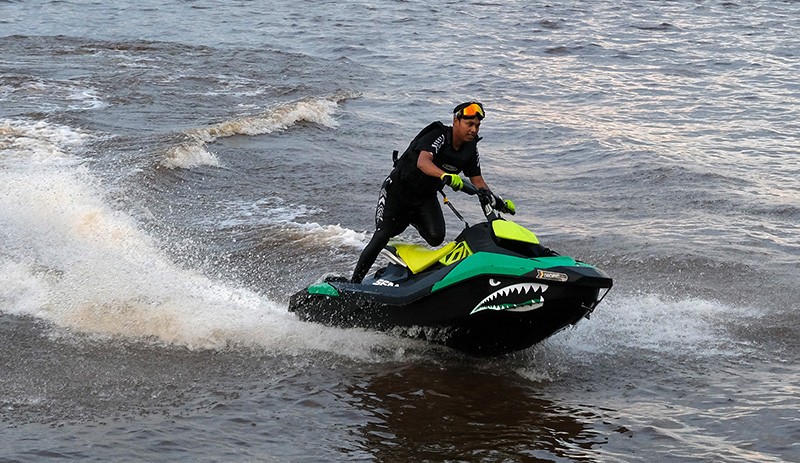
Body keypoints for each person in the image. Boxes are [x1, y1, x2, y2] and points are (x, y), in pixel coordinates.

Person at [350, 101, 516, 283]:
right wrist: (445, 176)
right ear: (456, 122)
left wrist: (496, 200)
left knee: (436, 237)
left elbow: (477, 181)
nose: (474, 130)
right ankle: (354, 282)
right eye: (469, 124)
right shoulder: (438, 135)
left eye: (477, 126)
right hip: (397, 192)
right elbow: (423, 162)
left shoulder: (470, 149)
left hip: (424, 198)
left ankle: (409, 254)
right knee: (382, 235)